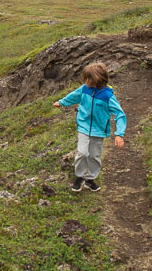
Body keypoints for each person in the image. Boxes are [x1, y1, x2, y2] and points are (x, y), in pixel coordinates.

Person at [54, 62, 126, 192]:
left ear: (97, 80)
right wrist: (62, 102)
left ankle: (90, 178)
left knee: (94, 156)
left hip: (99, 130)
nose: (85, 81)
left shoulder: (107, 96)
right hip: (84, 125)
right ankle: (80, 176)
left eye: (88, 78)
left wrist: (119, 134)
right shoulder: (84, 89)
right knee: (82, 152)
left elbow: (119, 114)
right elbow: (74, 96)